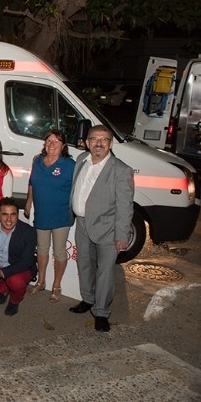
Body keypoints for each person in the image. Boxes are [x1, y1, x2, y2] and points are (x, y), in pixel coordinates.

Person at [68, 125, 134, 332]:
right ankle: (88, 299)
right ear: (87, 143)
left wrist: (122, 235)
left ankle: (102, 312)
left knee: (104, 272)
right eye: (94, 139)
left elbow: (125, 206)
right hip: (82, 224)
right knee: (84, 265)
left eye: (104, 139)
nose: (98, 143)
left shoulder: (121, 170)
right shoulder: (81, 161)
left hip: (107, 229)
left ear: (111, 144)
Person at [24, 130, 75, 303]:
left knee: (59, 251)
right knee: (42, 249)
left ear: (63, 146)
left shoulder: (70, 165)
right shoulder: (37, 161)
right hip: (41, 214)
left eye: (57, 141)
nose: (52, 144)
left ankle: (57, 285)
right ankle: (41, 281)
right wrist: (28, 202)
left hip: (61, 215)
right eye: (49, 140)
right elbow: (32, 182)